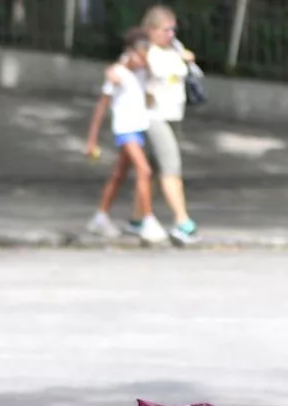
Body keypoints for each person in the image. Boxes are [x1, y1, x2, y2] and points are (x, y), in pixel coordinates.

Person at [84, 28, 167, 245]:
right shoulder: (117, 74)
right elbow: (101, 108)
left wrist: (143, 62)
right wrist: (92, 140)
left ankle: (100, 216)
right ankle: (148, 220)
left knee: (118, 175)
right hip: (124, 130)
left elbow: (154, 78)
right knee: (144, 170)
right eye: (140, 53)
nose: (143, 58)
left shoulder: (141, 72)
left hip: (137, 129)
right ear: (130, 52)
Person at [131, 4, 201, 246]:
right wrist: (178, 59)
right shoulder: (146, 51)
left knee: (150, 171)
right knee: (171, 168)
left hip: (173, 115)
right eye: (165, 30)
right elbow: (157, 72)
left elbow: (194, 73)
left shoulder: (173, 48)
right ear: (150, 30)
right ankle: (183, 222)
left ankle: (137, 218)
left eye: (173, 30)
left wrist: (183, 58)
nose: (170, 35)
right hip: (154, 116)